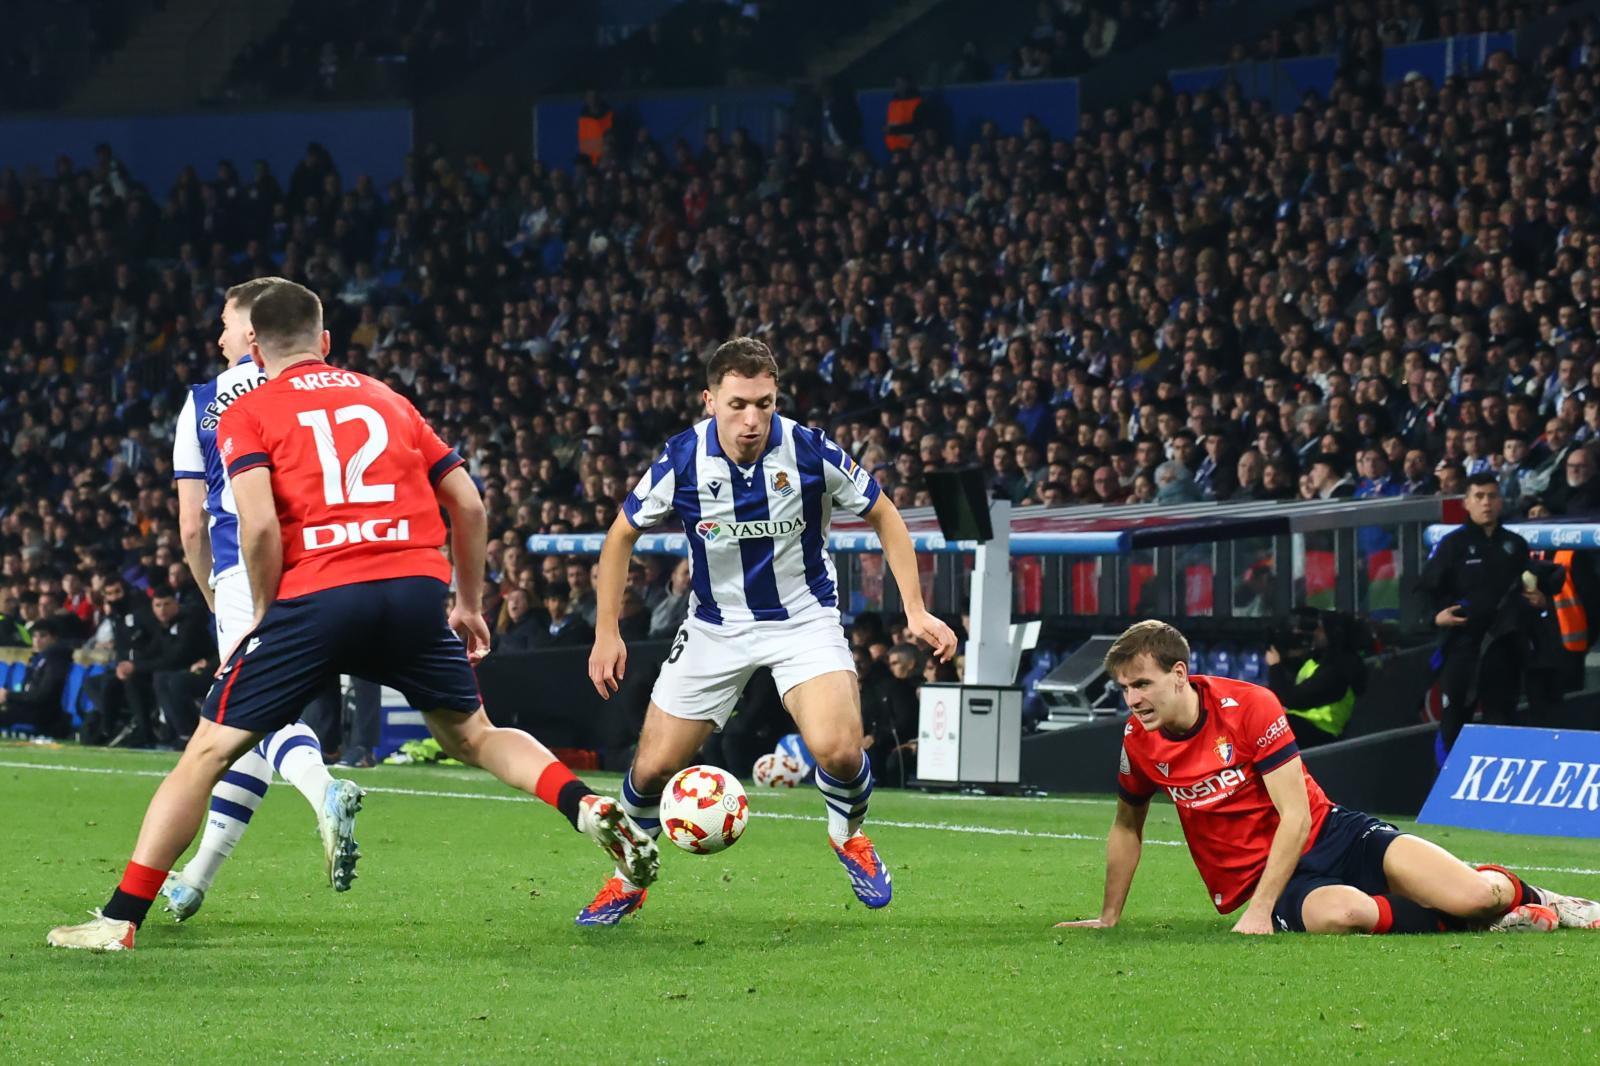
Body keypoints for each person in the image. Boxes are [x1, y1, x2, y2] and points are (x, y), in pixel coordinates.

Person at [47, 281, 657, 952]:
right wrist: (470, 605)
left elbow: (256, 531)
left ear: (253, 344)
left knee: (206, 752)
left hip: (318, 594)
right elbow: (471, 505)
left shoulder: (245, 411)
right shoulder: (386, 397)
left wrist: (265, 613)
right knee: (475, 735)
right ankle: (585, 805)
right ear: (326, 341)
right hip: (415, 587)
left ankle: (119, 919)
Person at [584, 336, 957, 925]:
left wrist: (914, 608)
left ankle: (847, 835)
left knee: (837, 749)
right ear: (710, 400)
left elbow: (885, 513)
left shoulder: (809, 450)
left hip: (803, 620)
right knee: (650, 770)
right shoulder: (682, 458)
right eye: (738, 404)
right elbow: (619, 535)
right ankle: (627, 877)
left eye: (764, 402)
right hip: (714, 628)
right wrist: (608, 631)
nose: (752, 418)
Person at [1057, 620, 1599, 935]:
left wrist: (1262, 915)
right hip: (1271, 877)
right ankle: (1502, 921)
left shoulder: (1248, 706)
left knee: (1475, 895)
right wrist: (1109, 917)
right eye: (1125, 689)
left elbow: (1295, 816)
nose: (1132, 700)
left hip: (1334, 833)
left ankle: (1540, 899)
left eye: (1142, 685)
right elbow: (1127, 826)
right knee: (1339, 915)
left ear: (1179, 675)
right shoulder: (1139, 740)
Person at [160, 276, 354, 922]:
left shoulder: (206, 401)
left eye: (223, 322)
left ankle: (324, 788)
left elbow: (191, 524)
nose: (215, 336)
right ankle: (196, 878)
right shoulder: (321, 387)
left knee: (249, 717)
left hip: (248, 567)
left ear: (251, 330)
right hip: (326, 564)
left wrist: (212, 589)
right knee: (247, 727)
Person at [1419, 473, 1563, 754]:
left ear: (1501, 502)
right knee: (1452, 727)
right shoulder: (1452, 545)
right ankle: (1445, 793)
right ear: (1466, 503)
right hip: (1461, 648)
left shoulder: (1515, 545)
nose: (1487, 503)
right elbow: (1424, 591)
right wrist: (1435, 618)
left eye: (1492, 496)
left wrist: (1540, 599)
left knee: (1503, 724)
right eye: (1479, 497)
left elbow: (1531, 587)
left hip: (1504, 649)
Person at [1266, 609, 1367, 747]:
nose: (1315, 633)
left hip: (1321, 732)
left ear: (1333, 634)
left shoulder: (1339, 671)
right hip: (1300, 724)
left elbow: (1294, 699)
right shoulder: (1319, 659)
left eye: (1321, 630)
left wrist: (1275, 667)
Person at [0, 617, 72, 737]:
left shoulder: (56, 661)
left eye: (43, 636)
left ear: (54, 638)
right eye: (35, 636)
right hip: (29, 707)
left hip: (45, 713)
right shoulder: (37, 660)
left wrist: (8, 695)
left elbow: (42, 695)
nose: (37, 640)